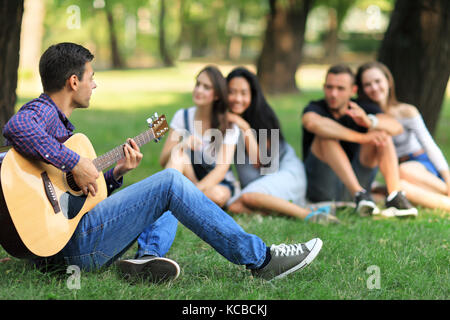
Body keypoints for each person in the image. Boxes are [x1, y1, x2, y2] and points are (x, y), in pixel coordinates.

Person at [1, 42, 323, 283]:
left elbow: (74, 199)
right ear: (74, 82)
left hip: (57, 242)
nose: (94, 84)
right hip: (70, 248)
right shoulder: (42, 111)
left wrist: (113, 175)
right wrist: (75, 162)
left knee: (169, 183)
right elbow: (17, 128)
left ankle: (148, 259)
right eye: (91, 77)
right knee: (170, 181)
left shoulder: (60, 126)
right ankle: (263, 260)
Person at [301, 64, 418, 217]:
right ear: (324, 87)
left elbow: (396, 127)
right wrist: (362, 138)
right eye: (329, 87)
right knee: (324, 136)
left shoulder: (362, 108)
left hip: (358, 179)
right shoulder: (316, 107)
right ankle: (359, 194)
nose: (333, 94)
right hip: (322, 187)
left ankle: (395, 196)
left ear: (353, 90)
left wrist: (369, 122)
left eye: (340, 88)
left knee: (382, 134)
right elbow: (312, 123)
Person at [225, 67, 338, 224]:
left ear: (253, 95)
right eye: (232, 92)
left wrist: (245, 128)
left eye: (244, 93)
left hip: (285, 174)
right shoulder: (224, 121)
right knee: (234, 207)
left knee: (246, 197)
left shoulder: (263, 117)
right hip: (260, 186)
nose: (237, 98)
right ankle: (286, 211)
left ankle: (309, 216)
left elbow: (262, 163)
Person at [356, 61, 450, 212]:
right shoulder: (363, 115)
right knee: (400, 188)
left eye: (378, 81)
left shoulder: (406, 111)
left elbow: (429, 144)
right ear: (361, 89)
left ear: (388, 81)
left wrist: (447, 177)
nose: (374, 88)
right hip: (396, 174)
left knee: (403, 171)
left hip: (420, 165)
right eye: (367, 84)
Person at [159, 65, 238, 208]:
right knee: (178, 155)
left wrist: (194, 191)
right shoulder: (182, 117)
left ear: (217, 95)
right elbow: (163, 160)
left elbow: (220, 171)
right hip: (189, 178)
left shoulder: (229, 125)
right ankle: (179, 201)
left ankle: (175, 200)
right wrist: (181, 145)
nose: (199, 90)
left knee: (217, 195)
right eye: (198, 84)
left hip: (217, 183)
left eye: (206, 87)